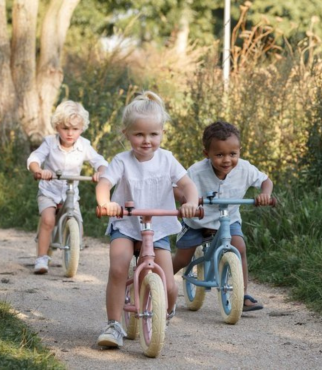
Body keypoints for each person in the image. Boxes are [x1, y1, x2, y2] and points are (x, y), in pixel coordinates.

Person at [95, 91, 198, 348]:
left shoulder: (168, 159)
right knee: (118, 267)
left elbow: (187, 185)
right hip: (127, 225)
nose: (146, 140)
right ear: (126, 134)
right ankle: (113, 325)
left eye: (153, 134)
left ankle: (166, 311)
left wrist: (191, 202)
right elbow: (105, 183)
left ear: (162, 133)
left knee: (169, 285)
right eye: (139, 134)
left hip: (158, 227)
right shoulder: (121, 160)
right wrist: (105, 203)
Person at [172, 121, 273, 312]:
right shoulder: (197, 171)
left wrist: (265, 194)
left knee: (239, 247)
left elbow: (266, 180)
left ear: (239, 151)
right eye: (219, 155)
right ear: (206, 154)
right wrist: (187, 201)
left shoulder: (244, 168)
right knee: (183, 258)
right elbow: (178, 188)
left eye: (232, 154)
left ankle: (241, 295)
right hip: (197, 221)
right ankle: (160, 284)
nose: (227, 160)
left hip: (228, 219)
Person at [27, 100, 108, 274]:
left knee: (78, 223)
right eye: (65, 128)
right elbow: (35, 158)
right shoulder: (49, 143)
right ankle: (42, 258)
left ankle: (73, 250)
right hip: (49, 190)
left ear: (82, 128)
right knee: (48, 221)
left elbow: (99, 161)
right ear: (57, 127)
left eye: (75, 129)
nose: (70, 133)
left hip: (70, 193)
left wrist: (100, 172)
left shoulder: (84, 145)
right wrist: (39, 170)